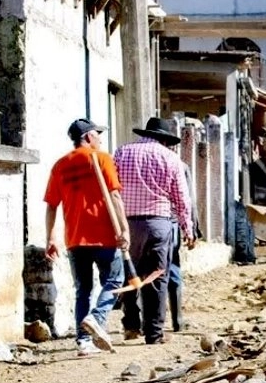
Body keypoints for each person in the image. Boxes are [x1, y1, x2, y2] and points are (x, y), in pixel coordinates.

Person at [44, 118, 129, 356]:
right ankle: (96, 317)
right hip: (104, 236)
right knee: (114, 281)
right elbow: (114, 196)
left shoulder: (60, 165)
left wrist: (51, 237)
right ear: (89, 137)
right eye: (98, 135)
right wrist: (124, 229)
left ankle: (83, 342)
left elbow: (51, 205)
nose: (100, 139)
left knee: (83, 290)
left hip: (75, 239)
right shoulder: (102, 158)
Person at [114, 116, 195, 345]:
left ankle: (130, 325)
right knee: (157, 277)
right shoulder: (171, 158)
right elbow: (182, 197)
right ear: (165, 140)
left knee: (130, 275)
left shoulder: (121, 153)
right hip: (159, 223)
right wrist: (187, 228)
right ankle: (154, 333)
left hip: (127, 223)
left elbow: (112, 189)